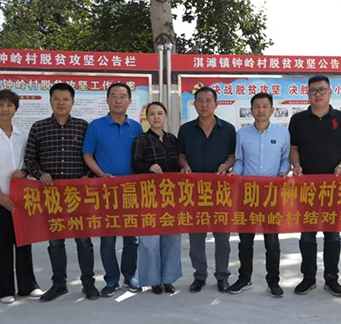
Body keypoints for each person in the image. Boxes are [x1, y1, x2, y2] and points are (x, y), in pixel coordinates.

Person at [24, 83, 99, 302]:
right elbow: (30, 159)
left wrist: (87, 176)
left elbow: (92, 156)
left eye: (65, 99)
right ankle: (59, 284)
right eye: (56, 99)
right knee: (55, 241)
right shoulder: (39, 127)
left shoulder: (83, 127)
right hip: (52, 194)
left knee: (83, 241)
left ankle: (88, 283)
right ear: (50, 101)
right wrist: (40, 174)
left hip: (78, 195)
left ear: (73, 102)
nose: (61, 103)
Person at [288, 75, 341, 297]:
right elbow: (293, 148)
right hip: (306, 186)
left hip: (333, 186)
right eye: (313, 90)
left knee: (332, 234)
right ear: (308, 93)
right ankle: (308, 278)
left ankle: (331, 278)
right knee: (307, 235)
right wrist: (296, 166)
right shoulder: (298, 119)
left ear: (330, 92)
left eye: (321, 90)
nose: (317, 94)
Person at [0, 90, 43, 304]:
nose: (5, 109)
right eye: (1, 105)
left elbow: (30, 161)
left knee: (23, 240)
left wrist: (24, 171)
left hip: (21, 196)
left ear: (15, 109)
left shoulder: (23, 134)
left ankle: (28, 285)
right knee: (0, 243)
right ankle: (3, 289)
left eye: (9, 105)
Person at [227, 93, 291, 298]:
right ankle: (244, 278)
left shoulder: (282, 133)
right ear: (251, 110)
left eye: (265, 106)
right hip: (247, 194)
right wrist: (235, 172)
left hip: (272, 194)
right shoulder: (242, 134)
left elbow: (285, 159)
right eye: (257, 106)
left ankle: (273, 281)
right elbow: (240, 161)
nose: (261, 110)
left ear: (272, 110)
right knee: (245, 240)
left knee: (271, 240)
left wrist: (283, 172)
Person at [82, 83, 143, 297]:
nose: (118, 100)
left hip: (131, 191)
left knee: (131, 238)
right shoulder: (96, 126)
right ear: (107, 100)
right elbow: (87, 155)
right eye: (114, 96)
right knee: (108, 239)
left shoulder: (136, 127)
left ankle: (130, 275)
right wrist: (101, 174)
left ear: (129, 101)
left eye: (123, 96)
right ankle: (111, 279)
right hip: (105, 191)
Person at [177, 86, 236, 293]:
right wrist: (185, 166)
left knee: (222, 237)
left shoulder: (228, 129)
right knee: (196, 237)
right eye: (200, 101)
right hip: (194, 191)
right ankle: (199, 275)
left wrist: (225, 166)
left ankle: (222, 275)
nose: (204, 105)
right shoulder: (186, 130)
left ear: (216, 104)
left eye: (208, 101)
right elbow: (181, 155)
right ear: (194, 104)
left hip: (221, 190)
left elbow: (232, 155)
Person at [131, 101, 182, 294]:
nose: (156, 117)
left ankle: (168, 279)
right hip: (149, 196)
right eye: (152, 114)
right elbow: (135, 165)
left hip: (171, 196)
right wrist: (148, 167)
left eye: (160, 113)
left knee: (171, 239)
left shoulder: (172, 139)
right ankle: (153, 280)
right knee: (150, 241)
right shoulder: (141, 140)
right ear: (147, 118)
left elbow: (179, 163)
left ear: (165, 116)